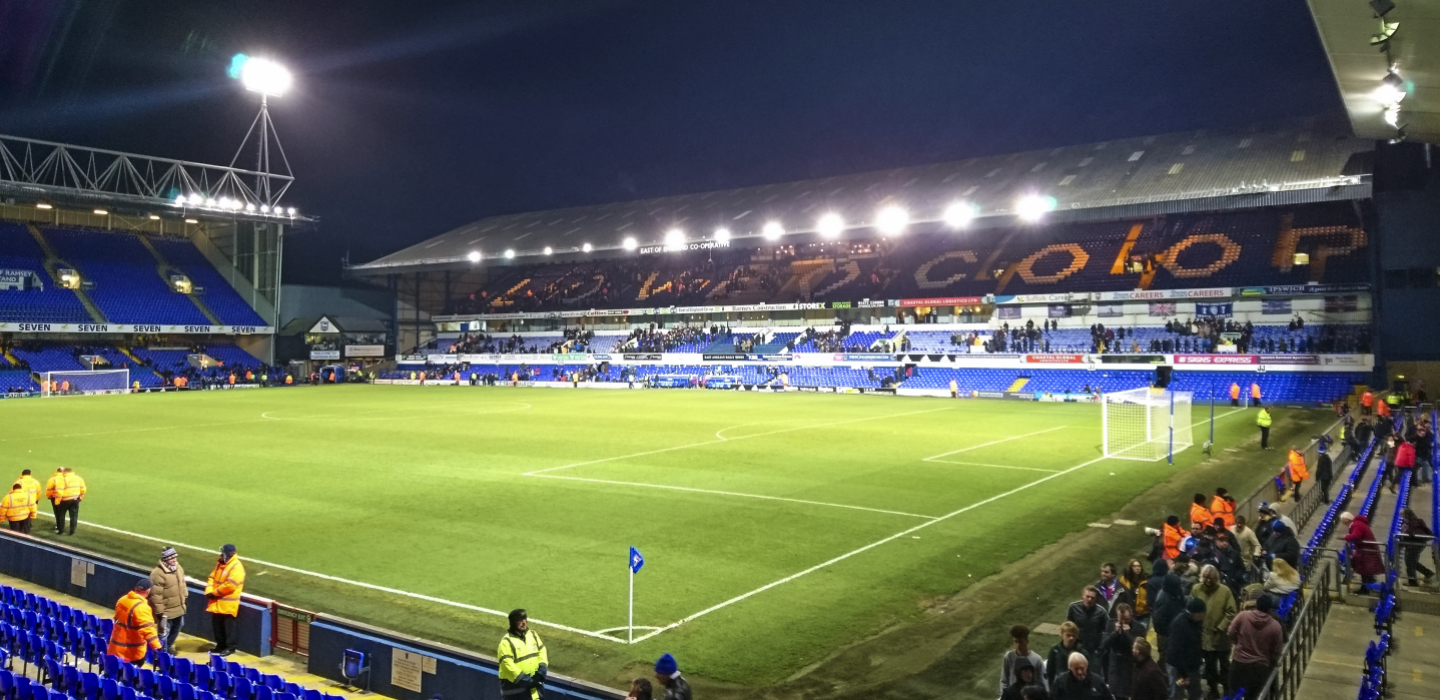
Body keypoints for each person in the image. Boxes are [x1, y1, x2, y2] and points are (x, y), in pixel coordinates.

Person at [1227, 595, 1283, 700]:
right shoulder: (1275, 626)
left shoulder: (1242, 616)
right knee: (1254, 696)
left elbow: (1230, 632)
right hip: (1260, 667)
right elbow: (1277, 650)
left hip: (1239, 663)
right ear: (1269, 608)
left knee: (1233, 693)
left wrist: (1237, 642)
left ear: (1256, 604)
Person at [1193, 566, 1237, 699]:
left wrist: (1220, 627)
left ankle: (1227, 688)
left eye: (1211, 578)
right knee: (1210, 667)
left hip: (1221, 638)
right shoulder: (1196, 589)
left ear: (1216, 578)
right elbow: (1191, 607)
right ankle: (1213, 690)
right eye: (1205, 578)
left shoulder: (1225, 591)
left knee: (1225, 666)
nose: (1208, 581)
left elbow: (1231, 612)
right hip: (1204, 637)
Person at [107, 578, 163, 664]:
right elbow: (148, 630)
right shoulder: (142, 608)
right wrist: (158, 648)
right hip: (131, 654)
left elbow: (117, 618)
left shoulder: (123, 600)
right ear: (148, 591)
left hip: (114, 648)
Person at [498, 609, 549, 700]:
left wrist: (541, 672)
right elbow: (508, 665)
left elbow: (542, 652)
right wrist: (527, 681)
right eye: (520, 620)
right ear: (513, 622)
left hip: (534, 691)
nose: (524, 622)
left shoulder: (533, 635)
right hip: (515, 694)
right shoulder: (506, 642)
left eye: (525, 619)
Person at [205, 544, 246, 656]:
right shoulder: (220, 564)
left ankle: (230, 647)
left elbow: (230, 585)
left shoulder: (236, 567)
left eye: (223, 553)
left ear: (229, 554)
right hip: (217, 602)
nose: (221, 555)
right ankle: (220, 645)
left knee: (229, 628)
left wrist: (214, 593)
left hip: (228, 605)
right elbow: (211, 577)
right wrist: (209, 591)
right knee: (217, 627)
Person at [1165, 597, 1206, 700]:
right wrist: (1183, 674)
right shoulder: (1180, 624)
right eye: (1202, 613)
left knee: (1195, 693)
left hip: (1191, 667)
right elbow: (1177, 651)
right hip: (1178, 668)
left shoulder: (1194, 622)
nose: (1204, 616)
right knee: (1176, 694)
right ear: (1195, 613)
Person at [149, 547, 187, 654]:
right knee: (163, 633)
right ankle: (162, 654)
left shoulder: (178, 568)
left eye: (175, 557)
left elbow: (182, 584)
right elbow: (155, 595)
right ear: (165, 559)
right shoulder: (157, 574)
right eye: (171, 558)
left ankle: (168, 647)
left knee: (179, 625)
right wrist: (160, 612)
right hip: (165, 611)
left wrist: (185, 597)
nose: (174, 559)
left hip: (178, 607)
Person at [1101, 604, 1141, 699]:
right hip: (1115, 664)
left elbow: (1138, 648)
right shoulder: (1111, 624)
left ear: (1131, 615)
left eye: (1126, 619)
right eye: (1120, 619)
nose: (1123, 622)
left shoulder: (1139, 628)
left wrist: (1127, 634)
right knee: (1114, 693)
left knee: (1128, 693)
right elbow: (1104, 644)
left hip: (1130, 665)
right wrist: (1115, 632)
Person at [1067, 586, 1111, 667]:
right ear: (1083, 595)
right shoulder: (1073, 608)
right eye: (1087, 596)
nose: (1089, 599)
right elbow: (1068, 628)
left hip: (1094, 651)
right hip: (1077, 648)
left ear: (1096, 599)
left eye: (1092, 598)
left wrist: (1100, 648)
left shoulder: (1101, 612)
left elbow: (1107, 631)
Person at [1341, 512, 1384, 593]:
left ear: (1347, 520)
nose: (1344, 524)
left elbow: (1356, 536)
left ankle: (1365, 589)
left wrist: (1345, 537)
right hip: (1366, 550)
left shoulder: (1356, 525)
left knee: (1364, 571)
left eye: (1344, 522)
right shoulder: (1358, 523)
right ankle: (1365, 588)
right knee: (1364, 571)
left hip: (1366, 551)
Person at [1000, 624, 1046, 695]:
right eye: (1016, 641)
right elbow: (1004, 681)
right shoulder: (1009, 657)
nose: (1018, 645)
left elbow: (1042, 682)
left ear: (1027, 641)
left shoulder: (1037, 659)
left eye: (1020, 642)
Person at [1046, 621, 1092, 689]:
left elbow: (1089, 672)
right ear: (1062, 634)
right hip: (1061, 687)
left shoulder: (1083, 653)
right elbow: (1050, 672)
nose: (1071, 638)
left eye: (1074, 636)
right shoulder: (1055, 651)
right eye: (1068, 635)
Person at [1400, 508, 1436, 587]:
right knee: (1412, 562)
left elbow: (1411, 534)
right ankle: (1428, 574)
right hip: (1414, 545)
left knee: (1410, 562)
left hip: (1415, 545)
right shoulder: (1413, 522)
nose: (1402, 517)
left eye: (1403, 515)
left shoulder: (1413, 523)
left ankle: (1413, 581)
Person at [44, 466, 85, 535]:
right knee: (74, 516)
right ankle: (72, 531)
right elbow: (83, 489)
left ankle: (61, 530)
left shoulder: (63, 480)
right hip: (75, 499)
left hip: (65, 500)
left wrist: (57, 502)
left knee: (61, 515)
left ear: (65, 472)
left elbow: (59, 491)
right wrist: (80, 497)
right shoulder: (78, 478)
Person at [1314, 436, 1334, 504]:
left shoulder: (1321, 459)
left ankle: (1326, 500)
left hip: (1324, 477)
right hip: (1329, 475)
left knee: (1324, 489)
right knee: (1326, 488)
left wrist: (1317, 477)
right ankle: (1326, 499)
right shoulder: (1328, 458)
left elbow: (1319, 469)